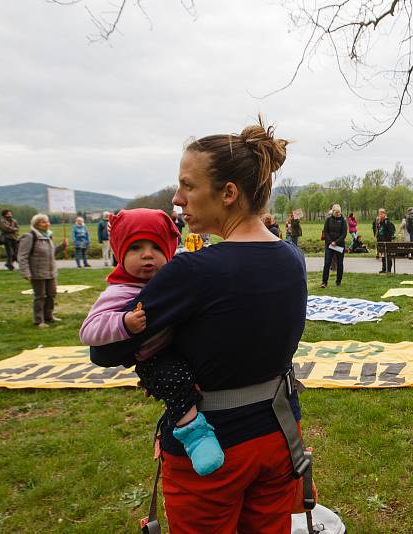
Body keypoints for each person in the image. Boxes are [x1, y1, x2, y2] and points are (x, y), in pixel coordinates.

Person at [89, 118, 310, 532]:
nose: (177, 199)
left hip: (212, 450)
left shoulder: (194, 271)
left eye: (188, 186)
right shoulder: (292, 258)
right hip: (279, 435)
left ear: (228, 193)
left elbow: (103, 351)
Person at [80, 208, 224, 476]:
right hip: (153, 358)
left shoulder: (171, 280)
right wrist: (123, 324)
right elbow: (89, 330)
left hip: (176, 347)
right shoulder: (119, 291)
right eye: (136, 248)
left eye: (156, 248)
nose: (147, 255)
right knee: (173, 380)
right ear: (119, 254)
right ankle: (195, 435)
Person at [17, 213, 67, 327]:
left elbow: (51, 253)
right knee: (40, 296)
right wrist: (25, 272)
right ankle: (39, 320)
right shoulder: (29, 237)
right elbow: (22, 256)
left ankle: (49, 316)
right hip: (37, 273)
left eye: (47, 221)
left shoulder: (48, 236)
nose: (47, 224)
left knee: (51, 295)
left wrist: (61, 246)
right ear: (36, 224)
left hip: (51, 272)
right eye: (43, 222)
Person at [322, 204, 347, 287]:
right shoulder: (328, 220)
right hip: (329, 245)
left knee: (340, 263)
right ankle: (324, 282)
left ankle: (338, 281)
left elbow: (344, 234)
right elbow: (325, 232)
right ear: (332, 212)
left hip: (339, 245)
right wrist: (330, 242)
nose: (338, 214)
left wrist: (336, 242)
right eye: (336, 212)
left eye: (339, 212)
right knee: (327, 262)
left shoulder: (343, 221)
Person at [376, 208, 396, 273]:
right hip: (381, 241)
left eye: (381, 214)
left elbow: (390, 232)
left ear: (384, 214)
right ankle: (384, 268)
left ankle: (389, 269)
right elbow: (379, 232)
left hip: (387, 241)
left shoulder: (387, 221)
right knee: (383, 256)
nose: (380, 215)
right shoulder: (380, 222)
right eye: (379, 214)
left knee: (388, 255)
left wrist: (387, 240)